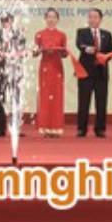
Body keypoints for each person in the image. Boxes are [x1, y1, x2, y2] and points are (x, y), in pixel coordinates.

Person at [75, 8, 112, 138]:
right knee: (83, 101)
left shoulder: (107, 34)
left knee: (101, 101)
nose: (92, 19)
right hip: (85, 72)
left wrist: (105, 58)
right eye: (90, 17)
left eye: (95, 17)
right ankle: (82, 128)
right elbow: (79, 45)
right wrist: (87, 49)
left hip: (101, 72)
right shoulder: (82, 32)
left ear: (100, 19)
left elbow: (111, 52)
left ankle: (100, 129)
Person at [0, 14, 26, 137]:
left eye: (9, 21)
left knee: (16, 99)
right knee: (0, 99)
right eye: (4, 21)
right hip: (0, 70)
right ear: (1, 22)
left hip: (15, 70)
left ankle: (16, 128)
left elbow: (23, 51)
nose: (6, 23)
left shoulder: (19, 34)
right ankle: (0, 128)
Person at [34, 8, 67, 138]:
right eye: (49, 17)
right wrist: (37, 51)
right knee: (45, 96)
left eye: (54, 17)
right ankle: (45, 127)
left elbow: (64, 54)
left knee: (57, 96)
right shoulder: (39, 34)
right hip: (45, 67)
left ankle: (56, 128)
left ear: (57, 19)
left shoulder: (62, 35)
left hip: (57, 67)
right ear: (45, 18)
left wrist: (62, 51)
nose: (51, 19)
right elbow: (35, 52)